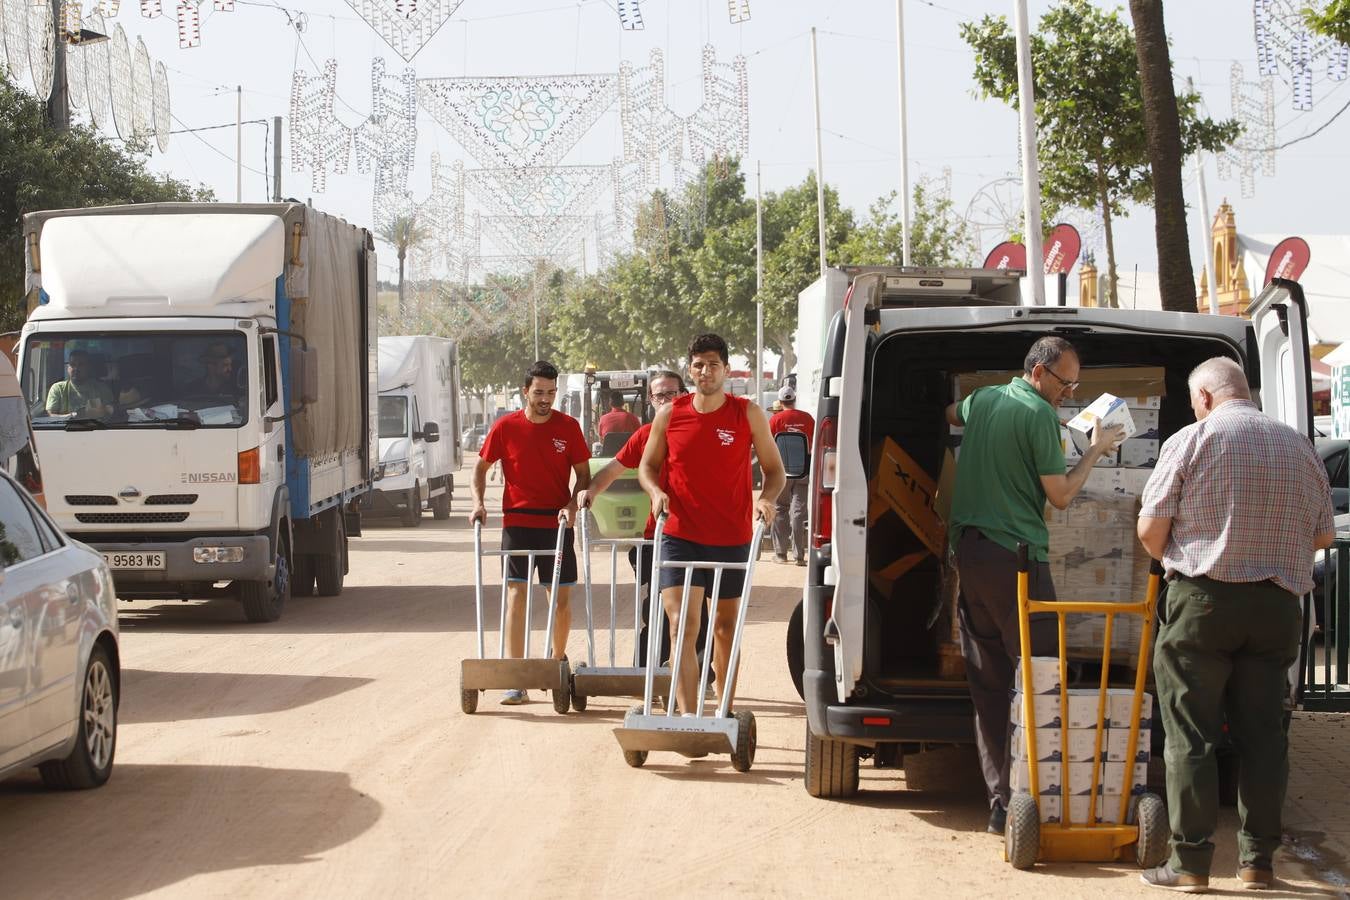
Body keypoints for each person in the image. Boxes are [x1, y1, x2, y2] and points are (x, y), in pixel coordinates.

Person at [1136, 357, 1334, 893]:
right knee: (1265, 738)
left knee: (1190, 736)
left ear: (1203, 396)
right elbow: (1322, 537)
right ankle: (1257, 864)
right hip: (1275, 608)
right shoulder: (1298, 446)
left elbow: (1152, 532)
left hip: (1202, 603)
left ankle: (1193, 866)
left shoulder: (1191, 440)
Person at [944, 335, 1124, 835]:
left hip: (972, 555)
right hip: (1018, 560)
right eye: (1066, 382)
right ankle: (1039, 796)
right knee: (1041, 676)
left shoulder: (984, 400)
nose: (1070, 391)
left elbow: (949, 415)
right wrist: (1097, 450)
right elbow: (1061, 495)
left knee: (988, 683)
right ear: (1040, 371)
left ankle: (1001, 803)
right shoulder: (1041, 417)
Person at [639, 333, 785, 715]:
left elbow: (775, 471)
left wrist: (766, 499)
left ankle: (722, 715)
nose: (706, 371)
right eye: (699, 364)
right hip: (678, 535)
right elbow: (648, 466)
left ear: (725, 369)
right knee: (680, 628)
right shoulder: (670, 413)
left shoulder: (746, 412)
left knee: (724, 629)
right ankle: (689, 720)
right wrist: (655, 492)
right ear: (690, 368)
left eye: (713, 364)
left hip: (730, 537)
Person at [471, 361, 591, 706]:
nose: (545, 399)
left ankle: (555, 664)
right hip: (518, 522)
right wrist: (479, 504)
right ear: (525, 391)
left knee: (560, 599)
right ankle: (516, 675)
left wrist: (571, 505)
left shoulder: (568, 427)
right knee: (516, 595)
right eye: (539, 392)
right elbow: (480, 469)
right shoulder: (505, 427)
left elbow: (582, 475)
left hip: (557, 524)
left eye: (551, 392)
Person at [577, 370, 707, 666]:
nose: (665, 400)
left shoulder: (700, 429)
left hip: (699, 533)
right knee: (657, 606)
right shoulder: (645, 435)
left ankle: (701, 673)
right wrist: (591, 491)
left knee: (696, 607)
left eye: (671, 393)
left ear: (684, 394)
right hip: (658, 536)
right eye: (659, 394)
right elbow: (613, 468)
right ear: (649, 399)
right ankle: (646, 672)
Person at [769, 384, 814, 566]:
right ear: (794, 400)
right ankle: (799, 556)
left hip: (782, 473)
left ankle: (780, 554)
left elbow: (767, 446)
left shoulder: (775, 420)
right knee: (798, 513)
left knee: (780, 508)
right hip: (803, 471)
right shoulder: (808, 418)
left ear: (780, 402)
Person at [45, 349, 115, 417]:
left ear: (88, 367)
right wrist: (72, 416)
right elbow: (51, 415)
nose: (76, 369)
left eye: (81, 365)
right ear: (68, 367)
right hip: (65, 428)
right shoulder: (58, 389)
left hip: (97, 427)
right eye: (72, 365)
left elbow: (110, 412)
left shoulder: (102, 388)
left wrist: (101, 411)